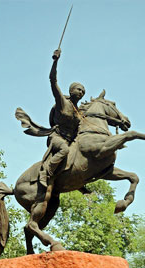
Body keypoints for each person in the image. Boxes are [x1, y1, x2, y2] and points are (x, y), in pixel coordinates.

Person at [39, 49, 85, 187]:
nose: (81, 92)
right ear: (71, 91)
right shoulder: (62, 102)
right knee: (64, 150)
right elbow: (52, 81)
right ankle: (46, 172)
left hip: (71, 140)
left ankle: (78, 182)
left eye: (83, 91)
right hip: (57, 138)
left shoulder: (80, 112)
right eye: (79, 89)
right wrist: (55, 62)